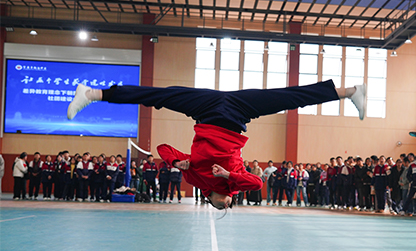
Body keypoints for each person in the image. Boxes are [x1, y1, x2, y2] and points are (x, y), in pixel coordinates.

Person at [68, 80, 365, 209]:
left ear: (209, 198)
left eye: (220, 205)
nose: (227, 203)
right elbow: (257, 183)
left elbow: (163, 149)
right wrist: (228, 175)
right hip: (237, 114)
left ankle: (93, 94)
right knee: (288, 97)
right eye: (229, 203)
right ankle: (350, 91)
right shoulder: (236, 184)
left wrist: (176, 162)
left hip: (207, 112)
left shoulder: (196, 178)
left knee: (161, 96)